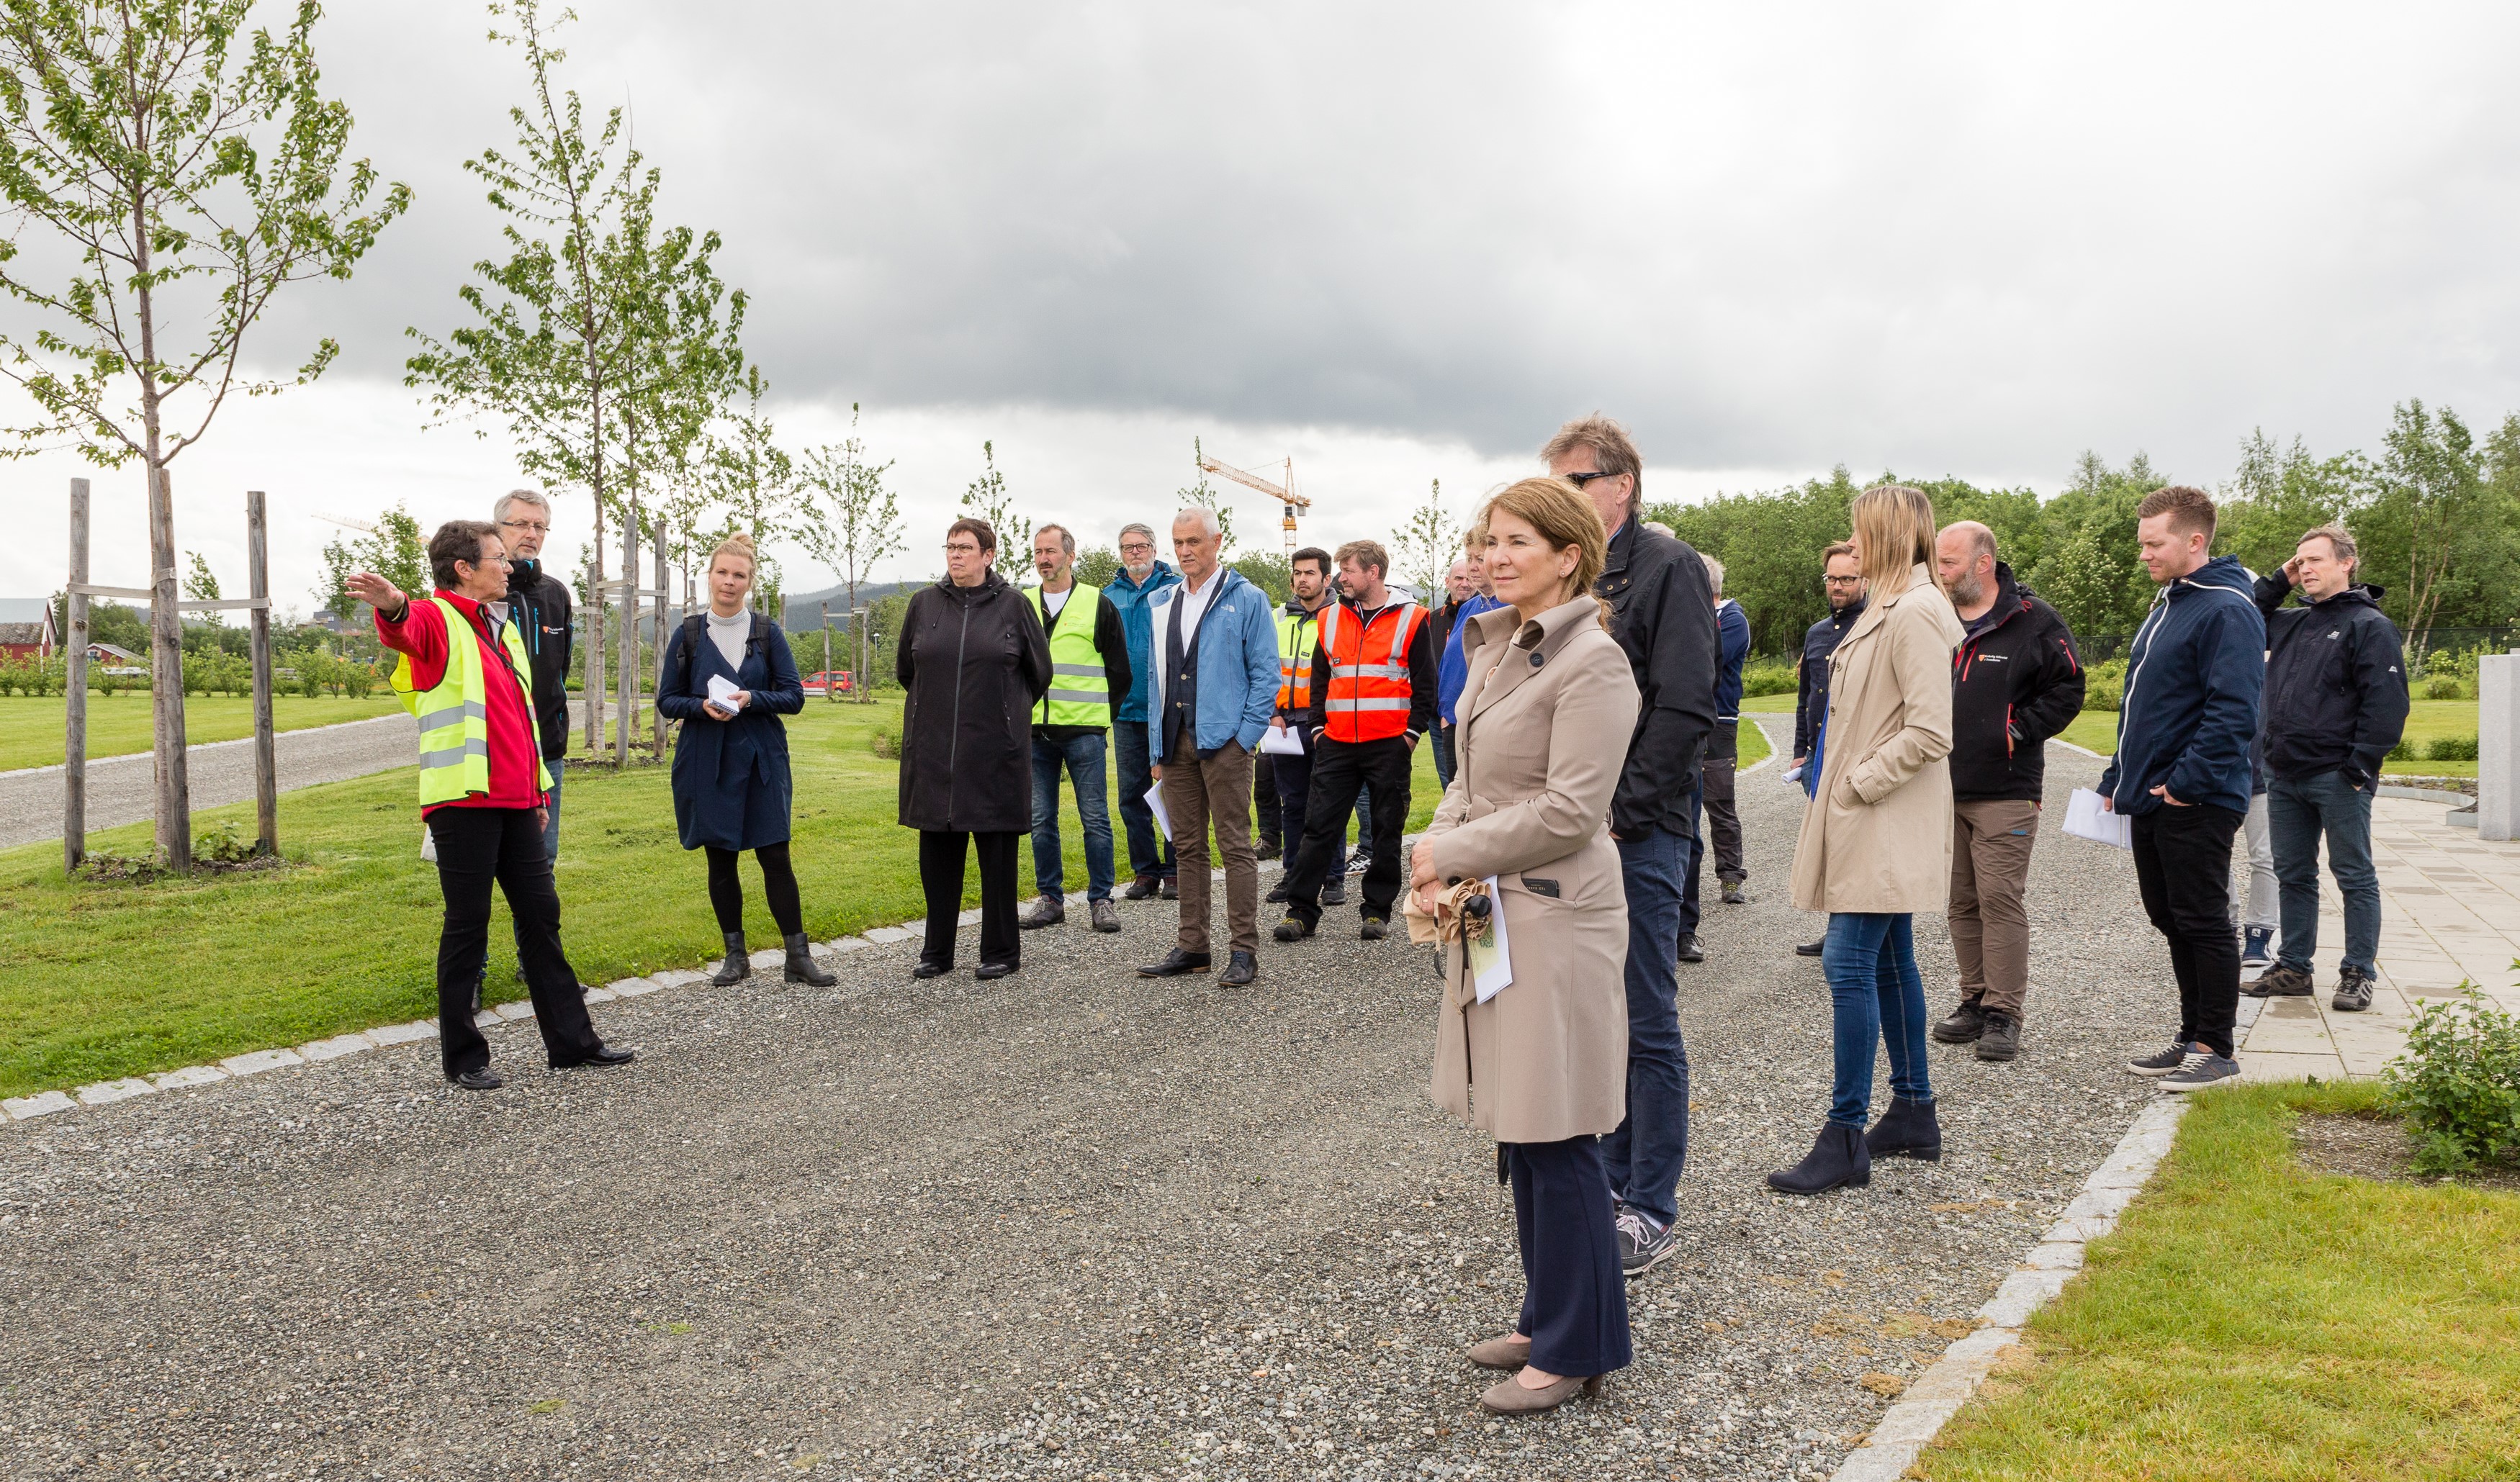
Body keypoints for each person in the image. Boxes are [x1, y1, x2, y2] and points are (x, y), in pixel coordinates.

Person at [1414, 477, 1641, 1415]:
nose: (1494, 556)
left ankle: (1579, 1346)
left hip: (1555, 915)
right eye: (1489, 539)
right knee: (1521, 1124)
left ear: (1568, 555)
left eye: (1516, 541)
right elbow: (1468, 779)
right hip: (1496, 911)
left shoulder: (1593, 662)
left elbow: (1571, 810)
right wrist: (1430, 849)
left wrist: (1450, 851)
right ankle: (1547, 1315)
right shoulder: (1500, 644)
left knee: (1559, 1127)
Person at [349, 523, 633, 1090]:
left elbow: (520, 721)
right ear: (463, 569)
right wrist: (393, 604)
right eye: (497, 559)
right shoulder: (439, 618)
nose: (508, 567)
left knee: (541, 914)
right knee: (468, 924)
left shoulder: (500, 629)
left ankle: (573, 1043)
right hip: (463, 802)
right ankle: (464, 1058)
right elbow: (407, 626)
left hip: (517, 799)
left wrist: (537, 792)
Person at [1544, 414, 1718, 1278]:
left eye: (1576, 481)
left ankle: (1649, 1203)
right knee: (1589, 1016)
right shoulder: (1565, 574)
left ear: (1622, 485)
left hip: (1636, 831)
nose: (1563, 496)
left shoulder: (1667, 567)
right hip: (1567, 827)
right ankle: (1603, 1184)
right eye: (1556, 483)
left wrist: (1618, 812)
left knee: (1644, 1019)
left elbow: (1684, 705)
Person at [1769, 485, 1963, 1196]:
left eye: (1857, 533)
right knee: (1887, 961)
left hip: (1881, 816)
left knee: (1847, 961)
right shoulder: (1890, 604)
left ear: (1885, 535)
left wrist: (1857, 783)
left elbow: (1930, 728)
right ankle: (1912, 1109)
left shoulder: (1912, 611)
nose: (1849, 546)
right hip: (1873, 816)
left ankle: (1845, 1134)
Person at [2101, 486, 2265, 1093]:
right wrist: (2116, 775)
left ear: (2195, 540)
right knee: (2170, 916)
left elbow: (2234, 711)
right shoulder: (2173, 601)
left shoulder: (2227, 608)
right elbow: (2143, 704)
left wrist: (2186, 783)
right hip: (2152, 792)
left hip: (2196, 797)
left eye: (2154, 543)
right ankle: (2191, 1034)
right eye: (2141, 542)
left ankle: (2216, 1047)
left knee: (2203, 919)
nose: (2143, 553)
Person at [1926, 522, 2085, 1064]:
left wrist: (2016, 730)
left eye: (1949, 563)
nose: (1941, 572)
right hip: (1943, 786)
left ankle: (2004, 1012)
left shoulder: (2034, 620)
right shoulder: (1937, 616)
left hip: (2006, 789)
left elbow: (2069, 687)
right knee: (1961, 901)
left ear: (1983, 563)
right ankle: (1973, 999)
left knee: (1999, 899)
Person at [654, 533, 832, 990]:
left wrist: (752, 698)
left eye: (739, 575)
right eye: (722, 573)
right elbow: (667, 700)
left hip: (762, 761)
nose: (729, 582)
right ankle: (736, 957)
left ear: (750, 582)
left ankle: (798, 958)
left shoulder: (767, 633)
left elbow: (794, 696)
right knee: (721, 861)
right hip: (706, 761)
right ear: (709, 576)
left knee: (775, 856)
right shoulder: (689, 634)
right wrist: (700, 707)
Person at [2247, 523, 2408, 1013]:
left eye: (2315, 559)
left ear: (2346, 563)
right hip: (2284, 773)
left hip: (2337, 776)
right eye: (2300, 561)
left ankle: (2358, 973)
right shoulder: (2293, 622)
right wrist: (2281, 579)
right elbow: (2244, 615)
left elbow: (2387, 705)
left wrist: (2358, 768)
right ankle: (2294, 968)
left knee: (2354, 875)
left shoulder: (2369, 625)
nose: (2306, 568)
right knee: (2293, 874)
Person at [897, 518, 1051, 980]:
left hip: (994, 753)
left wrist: (1004, 714)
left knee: (997, 857)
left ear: (988, 555)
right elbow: (907, 670)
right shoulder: (924, 605)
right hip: (935, 751)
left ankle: (1001, 950)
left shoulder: (1014, 606)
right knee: (938, 857)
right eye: (950, 547)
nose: (955, 555)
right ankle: (937, 952)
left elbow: (1039, 673)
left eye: (965, 547)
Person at [1140, 507, 1282, 987]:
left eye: (1194, 542)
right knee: (1187, 847)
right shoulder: (1162, 601)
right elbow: (1155, 678)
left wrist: (1244, 739)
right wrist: (1156, 748)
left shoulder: (1248, 598)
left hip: (1225, 744)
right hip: (1174, 741)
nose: (1184, 552)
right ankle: (1193, 946)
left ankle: (1243, 950)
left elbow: (1266, 675)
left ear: (1217, 541)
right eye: (1178, 543)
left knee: (1235, 845)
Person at [1272, 539, 1437, 944]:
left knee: (1386, 832)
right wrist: (1318, 729)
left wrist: (1411, 736)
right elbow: (1320, 680)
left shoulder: (1413, 618)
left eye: (1347, 571)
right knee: (1318, 828)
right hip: (1337, 743)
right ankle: (1301, 912)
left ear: (1373, 573)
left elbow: (1426, 686)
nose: (1340, 579)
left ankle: (1377, 911)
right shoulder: (1330, 618)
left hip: (1390, 745)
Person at [1017, 524, 1133, 934]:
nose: (1043, 559)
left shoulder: (1097, 603)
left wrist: (1101, 717)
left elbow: (1120, 672)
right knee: (1040, 820)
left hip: (1085, 732)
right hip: (1035, 732)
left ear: (1070, 555)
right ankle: (1050, 900)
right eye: (1038, 552)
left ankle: (1102, 900)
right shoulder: (1021, 603)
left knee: (1095, 818)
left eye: (1050, 551)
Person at [1791, 541, 1868, 957]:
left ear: (1864, 579)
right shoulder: (1817, 633)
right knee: (1830, 847)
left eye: (1846, 579)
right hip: (1816, 759)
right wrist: (1800, 751)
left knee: (1855, 846)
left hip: (1853, 755)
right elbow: (1806, 697)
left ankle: (1853, 933)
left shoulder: (1872, 627)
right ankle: (1837, 927)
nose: (1837, 587)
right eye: (1831, 579)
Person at [1264, 546, 1349, 909]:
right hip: (1284, 724)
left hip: (1326, 723)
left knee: (1328, 803)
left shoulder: (1341, 617)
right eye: (1297, 573)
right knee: (1293, 804)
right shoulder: (1278, 617)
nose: (1302, 579)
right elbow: (1264, 668)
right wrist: (1272, 711)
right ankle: (1293, 875)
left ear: (1327, 579)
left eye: (1310, 573)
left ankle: (1332, 877)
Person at [495, 490, 572, 866]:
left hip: (546, 750)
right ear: (498, 528)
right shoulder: (482, 592)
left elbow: (561, 669)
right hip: (494, 749)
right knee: (486, 860)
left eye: (540, 526)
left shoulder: (556, 594)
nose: (531, 533)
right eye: (522, 524)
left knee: (543, 859)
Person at [1105, 523, 1182, 901]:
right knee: (1131, 796)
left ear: (1154, 548)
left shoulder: (1175, 589)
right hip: (1126, 710)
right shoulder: (1109, 596)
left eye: (1141, 546)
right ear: (1121, 553)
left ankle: (1176, 869)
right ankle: (1146, 871)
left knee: (1174, 791)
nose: (1134, 552)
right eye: (1127, 547)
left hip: (1167, 709)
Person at [1681, 553, 1752, 928]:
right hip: (1692, 717)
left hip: (1720, 721)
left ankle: (1730, 875)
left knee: (1720, 800)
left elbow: (1709, 659)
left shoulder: (1733, 619)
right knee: (1687, 803)